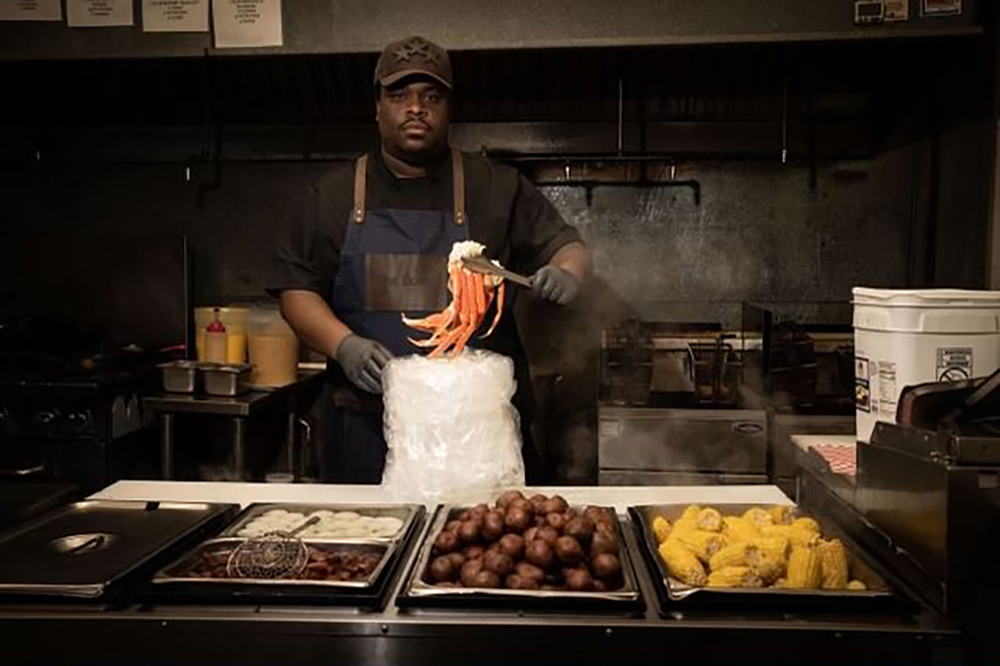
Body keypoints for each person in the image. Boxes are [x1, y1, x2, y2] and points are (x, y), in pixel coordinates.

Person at [269, 35, 589, 484]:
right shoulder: (331, 196)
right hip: (366, 429)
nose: (415, 108)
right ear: (377, 106)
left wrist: (567, 273)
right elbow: (296, 291)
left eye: (431, 96)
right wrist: (344, 344)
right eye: (399, 95)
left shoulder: (497, 187)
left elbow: (568, 247)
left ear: (448, 108)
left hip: (479, 436)